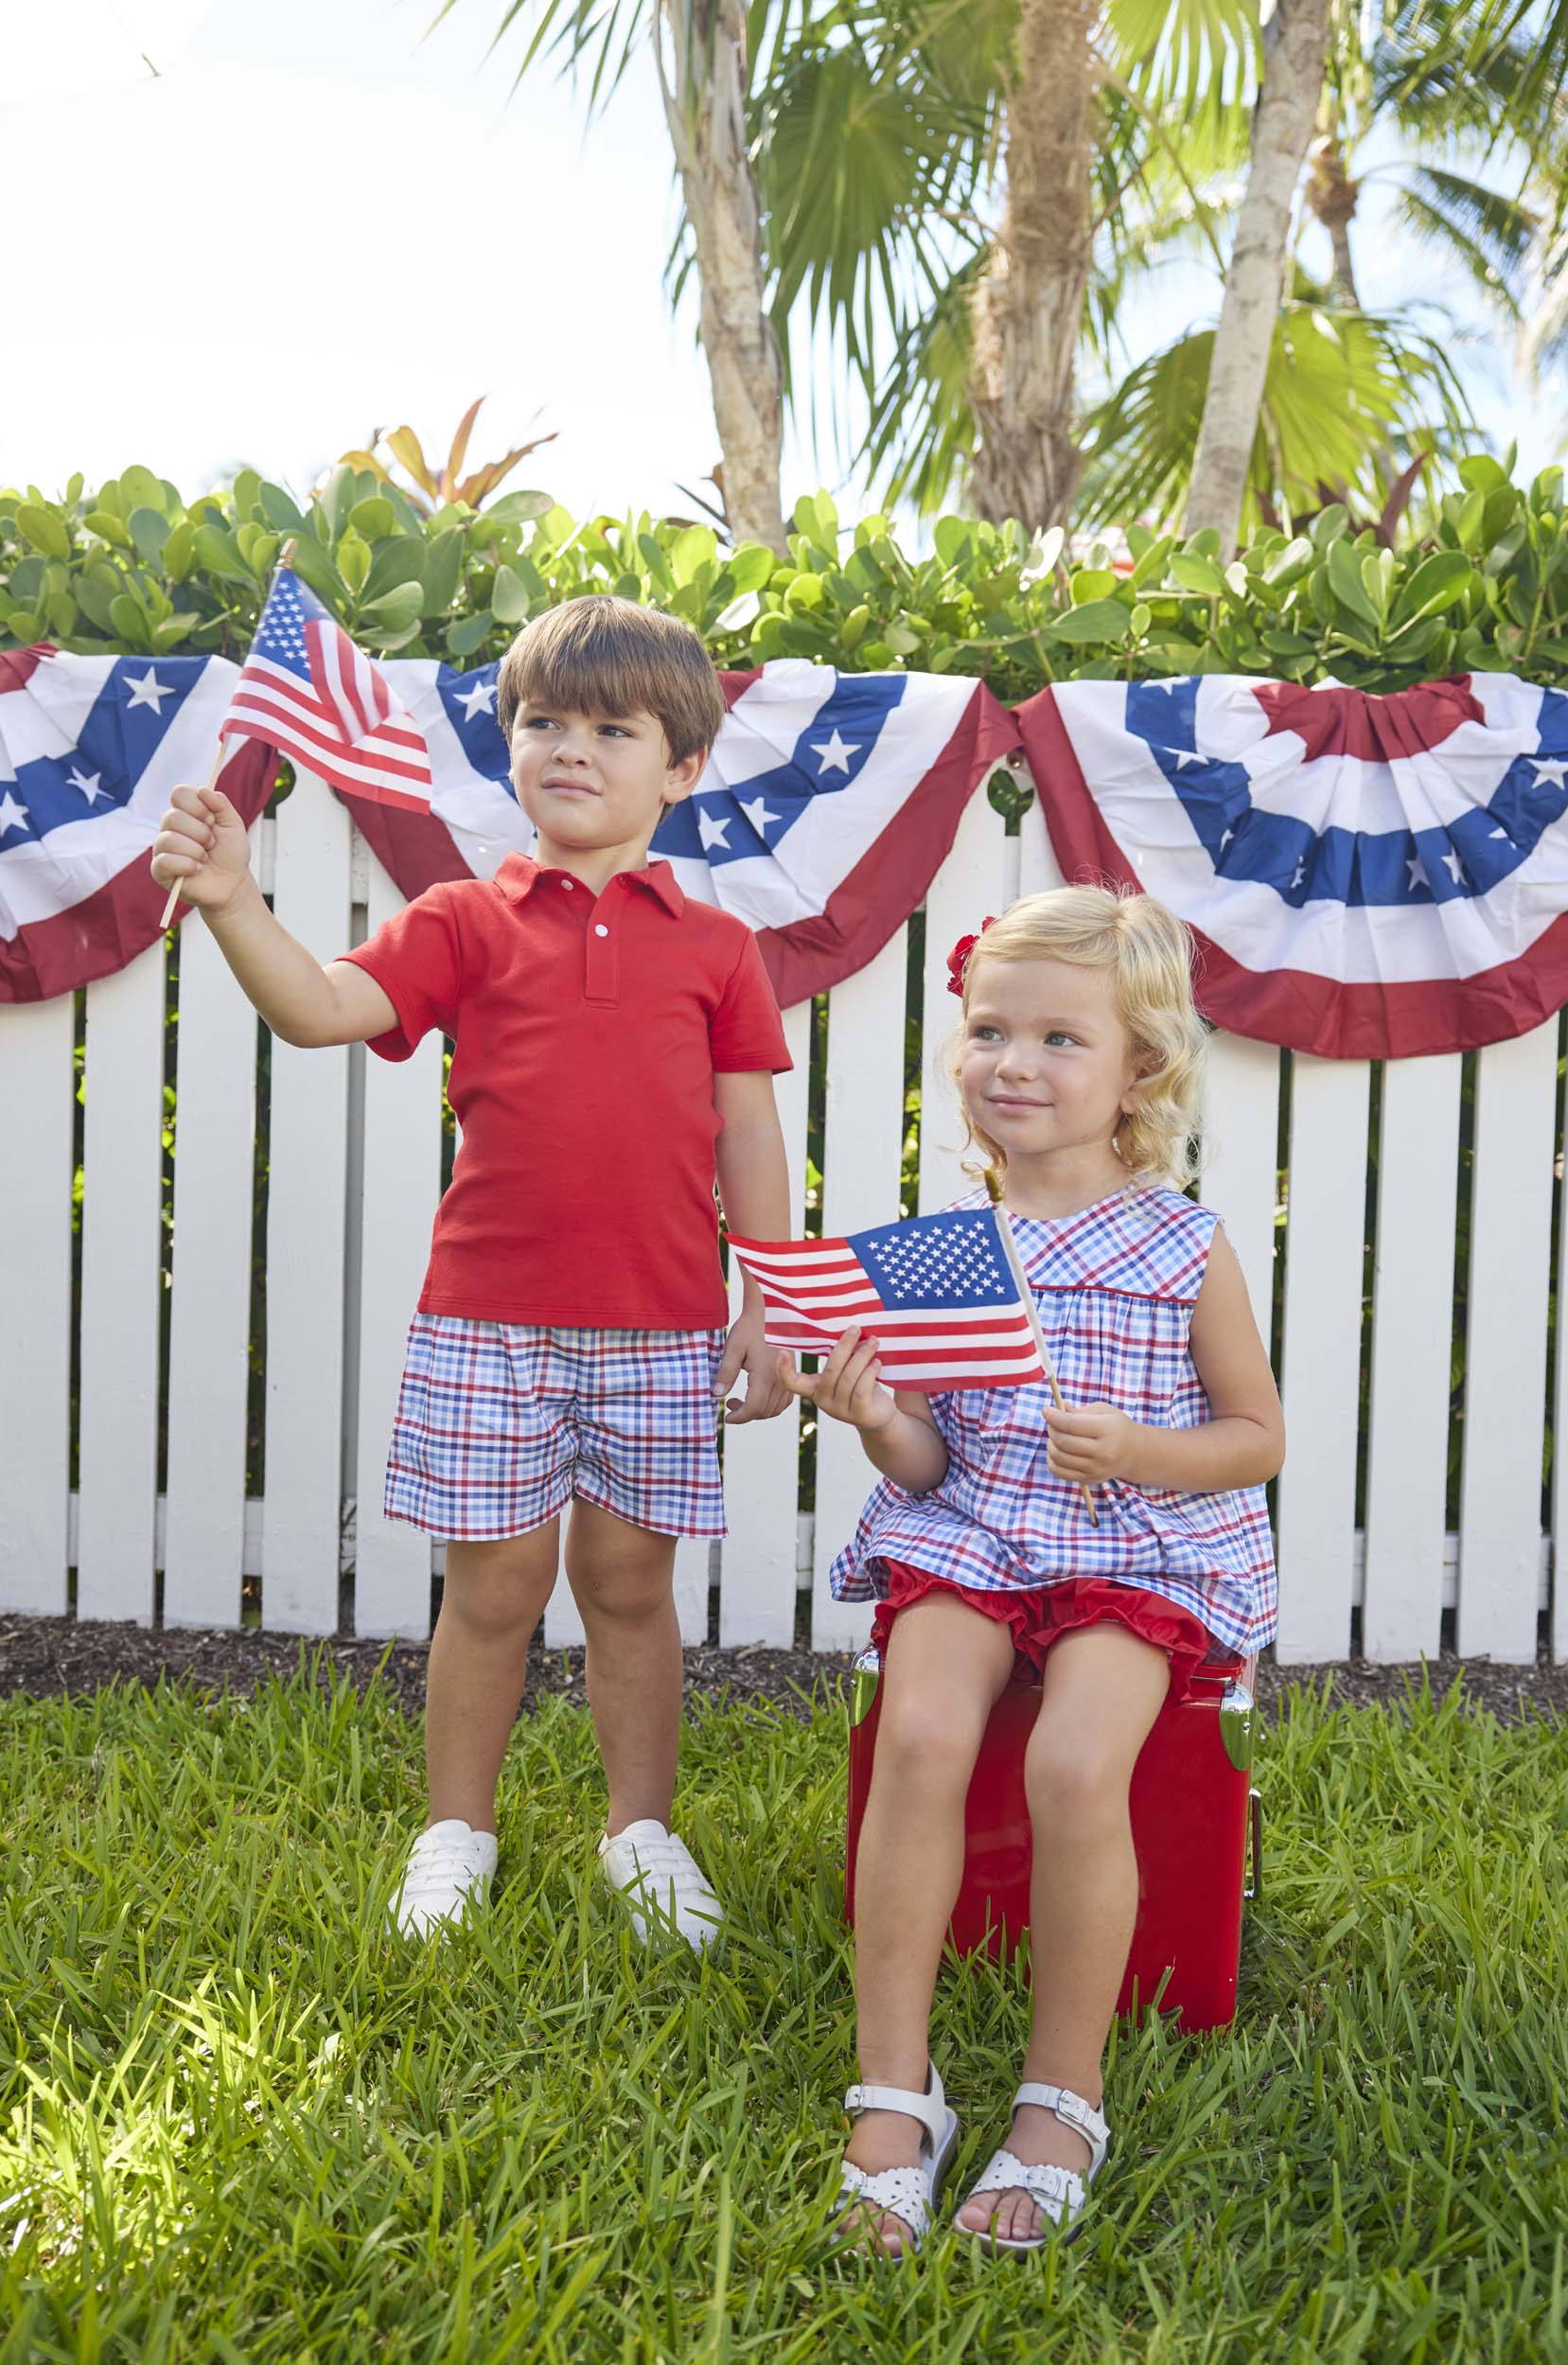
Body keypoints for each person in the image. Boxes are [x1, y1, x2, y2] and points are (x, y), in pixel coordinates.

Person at [151, 594, 794, 1950]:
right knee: (490, 1590)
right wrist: (232, 902)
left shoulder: (716, 947)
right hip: (487, 1325)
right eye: (542, 720)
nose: (570, 747)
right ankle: (457, 1832)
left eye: (613, 728)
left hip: (664, 1330)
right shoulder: (463, 918)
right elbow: (321, 1009)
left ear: (680, 768)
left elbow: (748, 1130)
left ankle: (641, 1832)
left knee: (629, 1585)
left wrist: (770, 1297)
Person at [780, 887, 1282, 2257]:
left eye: (1061, 1039)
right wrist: (877, 1412)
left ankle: (1064, 2093)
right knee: (921, 1732)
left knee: (1073, 1764)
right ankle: (896, 2088)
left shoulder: (1185, 1246)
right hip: (977, 1531)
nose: (1015, 1061)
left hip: (1137, 1542)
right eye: (991, 1029)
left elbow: (1257, 1438)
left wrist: (1136, 1447)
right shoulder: (947, 1251)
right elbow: (934, 1464)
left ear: (1141, 1072)